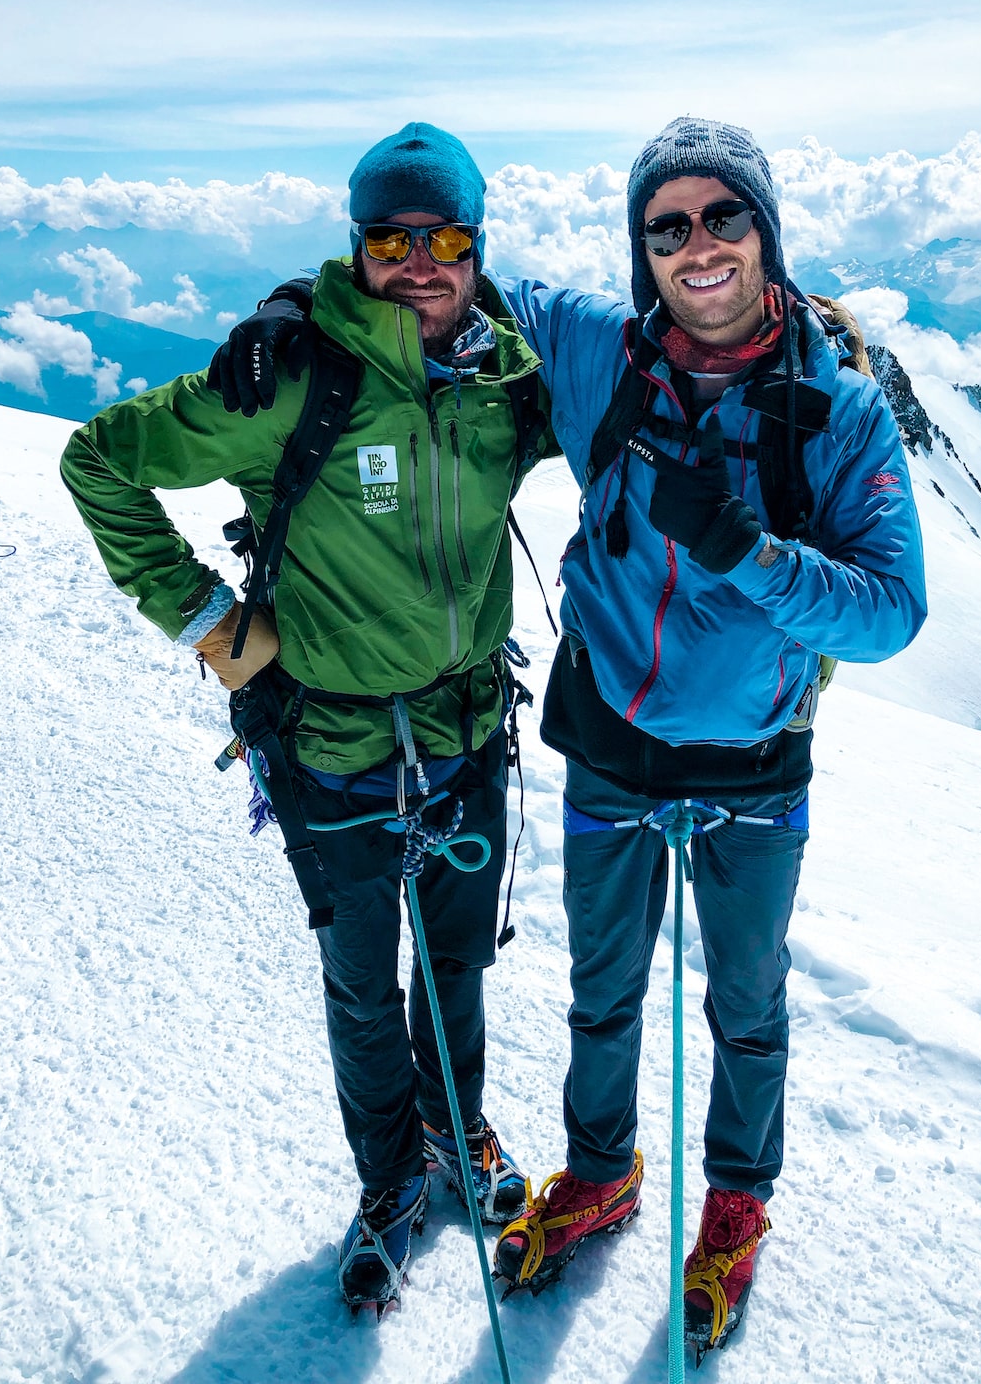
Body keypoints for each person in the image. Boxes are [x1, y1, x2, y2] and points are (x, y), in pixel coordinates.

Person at [216, 116, 927, 1358]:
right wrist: (295, 306)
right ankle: (601, 1172)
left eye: (723, 217)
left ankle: (735, 1205)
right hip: (609, 739)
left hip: (758, 761)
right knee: (604, 999)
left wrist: (746, 554)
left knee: (747, 1008)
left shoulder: (843, 412)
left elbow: (889, 611)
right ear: (640, 245)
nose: (696, 246)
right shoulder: (601, 350)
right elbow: (446, 270)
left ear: (766, 229)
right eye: (668, 225)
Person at [60, 123, 556, 1315]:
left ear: (478, 249)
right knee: (361, 981)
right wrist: (205, 624)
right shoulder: (290, 378)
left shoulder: (509, 378)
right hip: (327, 746)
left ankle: (459, 1131)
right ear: (358, 247)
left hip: (467, 730)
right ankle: (389, 1178)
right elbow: (99, 462)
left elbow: (635, 377)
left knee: (455, 961)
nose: (421, 261)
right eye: (392, 238)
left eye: (448, 238)